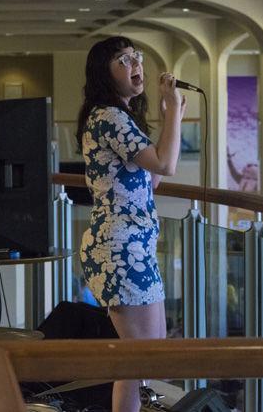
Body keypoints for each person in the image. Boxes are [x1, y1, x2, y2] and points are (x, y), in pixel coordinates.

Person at [75, 36, 186, 412]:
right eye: (123, 60)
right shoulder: (108, 116)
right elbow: (167, 166)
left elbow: (152, 179)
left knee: (140, 359)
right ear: (104, 75)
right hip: (120, 248)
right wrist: (172, 112)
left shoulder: (116, 116)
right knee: (140, 358)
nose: (135, 64)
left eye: (136, 57)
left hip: (130, 247)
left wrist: (167, 115)